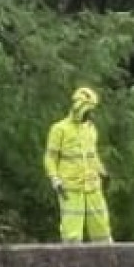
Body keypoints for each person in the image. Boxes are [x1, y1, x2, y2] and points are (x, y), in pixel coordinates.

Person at [44, 86, 112, 243]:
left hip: (93, 185)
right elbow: (50, 157)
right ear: (79, 107)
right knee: (72, 231)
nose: (91, 114)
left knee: (101, 227)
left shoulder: (90, 129)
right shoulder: (59, 129)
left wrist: (103, 172)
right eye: (89, 110)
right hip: (70, 187)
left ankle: (107, 260)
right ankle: (71, 263)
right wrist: (55, 179)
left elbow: (92, 155)